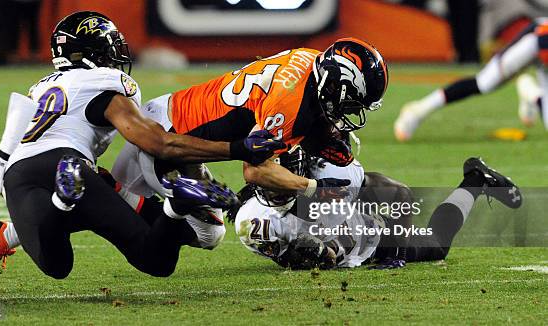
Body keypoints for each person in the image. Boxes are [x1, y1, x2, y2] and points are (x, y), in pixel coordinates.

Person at [0, 11, 283, 294]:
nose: (117, 54)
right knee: (155, 259)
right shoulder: (105, 83)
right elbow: (158, 143)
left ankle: (57, 204)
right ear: (92, 52)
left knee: (57, 263)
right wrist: (237, 148)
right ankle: (175, 205)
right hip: (71, 163)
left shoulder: (43, 86)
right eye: (110, 46)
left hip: (21, 174)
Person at [112, 37, 389, 208]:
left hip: (179, 123)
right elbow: (255, 171)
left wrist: (315, 134)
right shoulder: (289, 105)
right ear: (333, 84)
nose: (350, 111)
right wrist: (315, 189)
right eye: (351, 101)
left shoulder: (310, 58)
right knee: (196, 231)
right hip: (169, 135)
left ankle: (108, 189)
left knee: (119, 199)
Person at [233, 147, 522, 269]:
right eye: (270, 183)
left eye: (280, 182)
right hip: (330, 228)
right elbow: (282, 255)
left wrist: (395, 252)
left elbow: (400, 193)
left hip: (366, 232)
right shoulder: (251, 219)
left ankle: (474, 180)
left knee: (437, 243)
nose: (275, 190)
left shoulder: (334, 184)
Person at [394, 18, 548, 142]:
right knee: (485, 83)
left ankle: (531, 92)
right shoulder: (533, 43)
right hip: (535, 43)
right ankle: (418, 110)